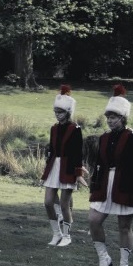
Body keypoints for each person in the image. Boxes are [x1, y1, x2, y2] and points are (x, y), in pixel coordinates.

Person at [88, 85, 133, 266]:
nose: (109, 121)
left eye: (113, 118)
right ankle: (104, 259)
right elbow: (98, 163)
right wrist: (94, 185)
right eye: (108, 117)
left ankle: (124, 265)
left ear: (122, 118)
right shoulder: (104, 138)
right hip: (105, 185)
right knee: (93, 221)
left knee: (124, 226)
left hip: (126, 186)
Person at [41, 85, 84, 246]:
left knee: (65, 205)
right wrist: (46, 170)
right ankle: (56, 233)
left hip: (68, 168)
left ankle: (67, 236)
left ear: (68, 112)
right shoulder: (53, 128)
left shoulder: (75, 129)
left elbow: (78, 153)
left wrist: (78, 172)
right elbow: (51, 150)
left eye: (60, 112)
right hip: (54, 167)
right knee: (48, 202)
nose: (57, 115)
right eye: (56, 112)